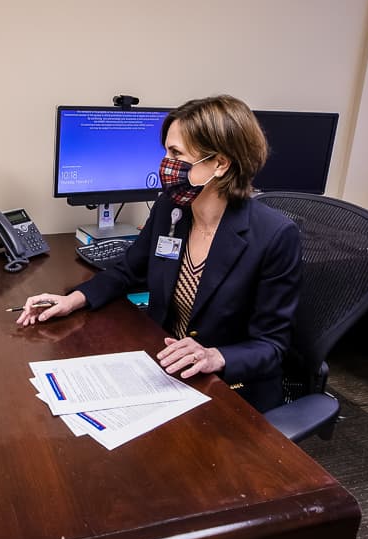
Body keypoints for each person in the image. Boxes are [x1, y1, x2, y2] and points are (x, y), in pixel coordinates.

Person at [16, 94, 302, 412]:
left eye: (176, 153)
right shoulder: (171, 208)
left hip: (230, 389)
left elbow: (272, 346)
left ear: (220, 163)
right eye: (166, 151)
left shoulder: (274, 235)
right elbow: (128, 270)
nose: (165, 164)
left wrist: (213, 356)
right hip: (164, 371)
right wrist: (73, 299)